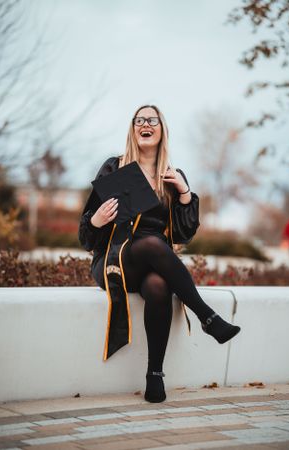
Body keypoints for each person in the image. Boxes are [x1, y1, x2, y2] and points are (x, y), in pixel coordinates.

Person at [78, 104, 241, 403]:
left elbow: (183, 234)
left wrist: (184, 194)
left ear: (162, 129)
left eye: (152, 119)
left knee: (158, 285)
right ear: (133, 129)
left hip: (151, 265)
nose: (145, 124)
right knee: (153, 244)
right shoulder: (116, 167)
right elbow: (86, 234)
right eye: (139, 120)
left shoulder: (172, 175)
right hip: (114, 261)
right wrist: (96, 221)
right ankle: (207, 317)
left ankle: (155, 375)